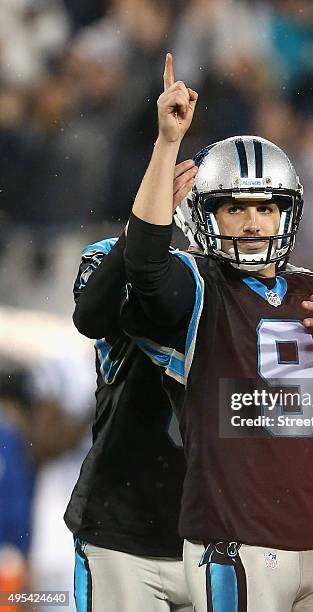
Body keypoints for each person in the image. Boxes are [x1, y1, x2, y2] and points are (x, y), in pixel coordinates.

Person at [121, 53, 313, 611]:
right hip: (240, 541)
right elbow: (146, 268)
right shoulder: (198, 285)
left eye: (266, 208)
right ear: (205, 216)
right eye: (234, 208)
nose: (253, 222)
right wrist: (165, 146)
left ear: (289, 215)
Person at [64, 161, 197, 612]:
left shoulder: (242, 281)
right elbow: (91, 317)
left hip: (213, 526)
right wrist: (140, 233)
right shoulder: (106, 254)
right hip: (123, 517)